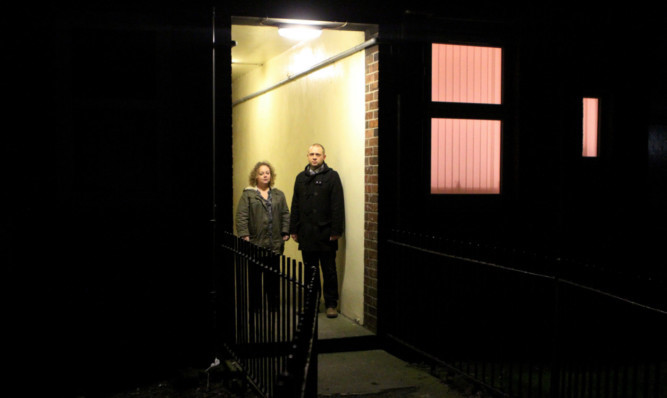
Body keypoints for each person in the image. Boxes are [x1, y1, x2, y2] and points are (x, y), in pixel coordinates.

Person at [290, 144, 345, 318]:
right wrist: (294, 228)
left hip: (326, 232)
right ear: (307, 156)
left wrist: (336, 230)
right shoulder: (300, 178)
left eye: (318, 154)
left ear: (324, 157)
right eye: (312, 154)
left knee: (329, 270)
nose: (314, 157)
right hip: (306, 233)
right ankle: (311, 304)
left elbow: (337, 205)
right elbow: (295, 205)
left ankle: (331, 304)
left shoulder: (332, 177)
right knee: (310, 271)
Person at [236, 161, 290, 254]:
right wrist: (244, 234)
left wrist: (285, 231)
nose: (265, 175)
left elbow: (285, 214)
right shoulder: (248, 195)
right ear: (256, 176)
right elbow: (241, 216)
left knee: (273, 268)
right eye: (261, 173)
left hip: (275, 243)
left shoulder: (279, 194)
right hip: (256, 242)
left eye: (267, 173)